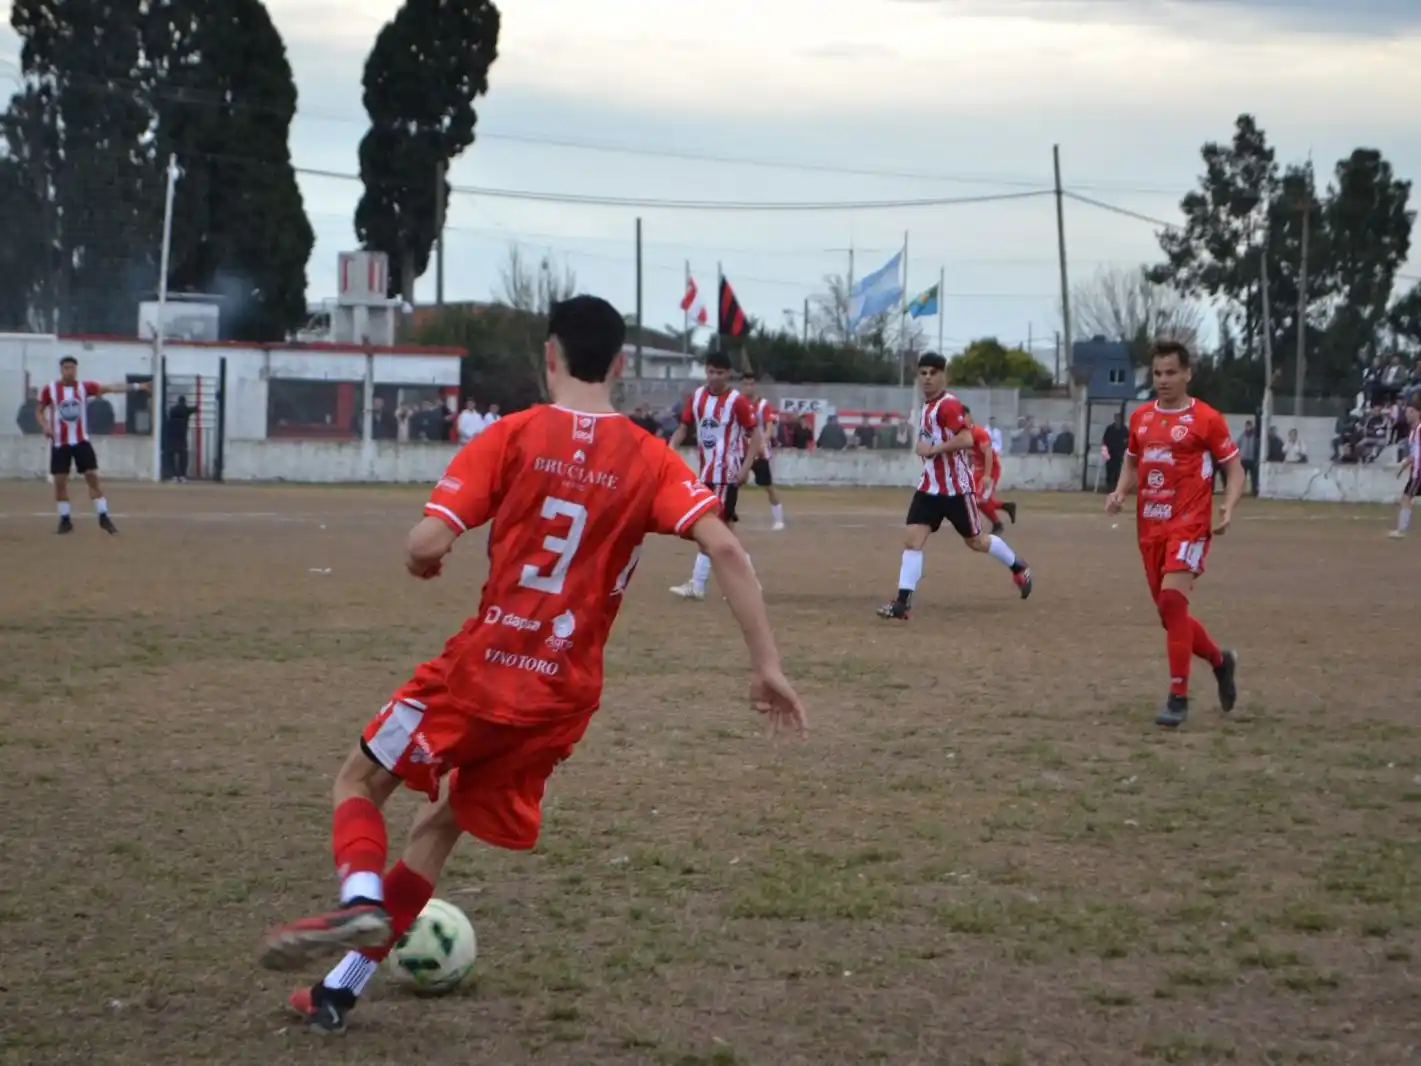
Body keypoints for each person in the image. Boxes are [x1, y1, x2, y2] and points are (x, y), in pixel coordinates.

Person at [256, 295, 808, 1034]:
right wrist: (765, 665)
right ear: (618, 364)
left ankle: (359, 897)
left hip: (484, 668)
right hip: (562, 694)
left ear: (549, 355)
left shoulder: (511, 436)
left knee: (358, 778)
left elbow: (423, 543)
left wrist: (431, 556)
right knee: (444, 818)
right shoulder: (650, 457)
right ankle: (339, 989)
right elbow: (727, 549)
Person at [1105, 340, 1243, 729]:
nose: (1163, 380)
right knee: (1171, 615)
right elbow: (1132, 462)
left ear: (1187, 374)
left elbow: (1235, 470)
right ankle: (1220, 661)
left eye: (1170, 373)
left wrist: (1229, 506)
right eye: (1157, 373)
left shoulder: (1208, 419)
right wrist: (1119, 491)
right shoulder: (1141, 418)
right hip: (1149, 525)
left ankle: (1177, 697)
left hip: (1189, 522)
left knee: (1171, 599)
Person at [877, 352, 1032, 621]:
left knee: (977, 541)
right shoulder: (927, 407)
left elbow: (966, 438)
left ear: (943, 375)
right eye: (922, 373)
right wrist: (922, 448)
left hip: (956, 490)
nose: (927, 378)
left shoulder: (949, 405)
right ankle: (902, 603)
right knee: (912, 540)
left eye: (932, 373)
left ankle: (1018, 567)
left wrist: (934, 449)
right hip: (929, 488)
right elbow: (928, 441)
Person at [666, 351, 765, 600]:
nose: (714, 377)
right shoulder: (697, 397)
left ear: (728, 374)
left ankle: (700, 584)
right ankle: (748, 582)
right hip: (706, 474)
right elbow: (683, 428)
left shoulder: (736, 401)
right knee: (723, 531)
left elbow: (756, 435)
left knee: (711, 529)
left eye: (720, 373)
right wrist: (668, 450)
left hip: (725, 474)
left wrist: (745, 467)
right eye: (711, 371)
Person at [37, 356, 150, 534]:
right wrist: (45, 425)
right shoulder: (50, 389)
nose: (69, 371)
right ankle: (65, 520)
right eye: (66, 368)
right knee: (60, 483)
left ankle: (103, 516)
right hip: (60, 443)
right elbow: (39, 411)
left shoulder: (84, 387)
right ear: (61, 370)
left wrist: (138, 387)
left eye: (72, 368)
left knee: (92, 477)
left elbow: (111, 388)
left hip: (81, 441)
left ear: (76, 370)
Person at [738, 371, 786, 531]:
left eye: (751, 384)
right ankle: (726, 514)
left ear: (755, 385)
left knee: (767, 485)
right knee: (733, 483)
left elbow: (769, 427)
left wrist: (762, 442)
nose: (748, 387)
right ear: (741, 385)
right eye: (745, 384)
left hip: (759, 452)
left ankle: (778, 519)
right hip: (740, 450)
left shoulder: (763, 404)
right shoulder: (737, 402)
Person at [963, 405, 1016, 534]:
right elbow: (970, 454)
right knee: (971, 497)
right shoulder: (963, 435)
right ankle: (1006, 506)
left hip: (991, 469)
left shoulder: (979, 433)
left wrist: (987, 475)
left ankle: (997, 524)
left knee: (979, 500)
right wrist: (968, 472)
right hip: (978, 470)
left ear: (969, 417)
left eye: (962, 417)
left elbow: (988, 455)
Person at [1388, 396, 1420, 539]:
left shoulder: (1419, 430)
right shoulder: (1413, 432)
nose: (1408, 414)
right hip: (1416, 471)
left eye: (1411, 412)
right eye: (1407, 412)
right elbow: (1414, 454)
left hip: (1419, 472)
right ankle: (1401, 530)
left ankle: (1401, 531)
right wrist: (1404, 465)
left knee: (1406, 498)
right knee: (1406, 497)